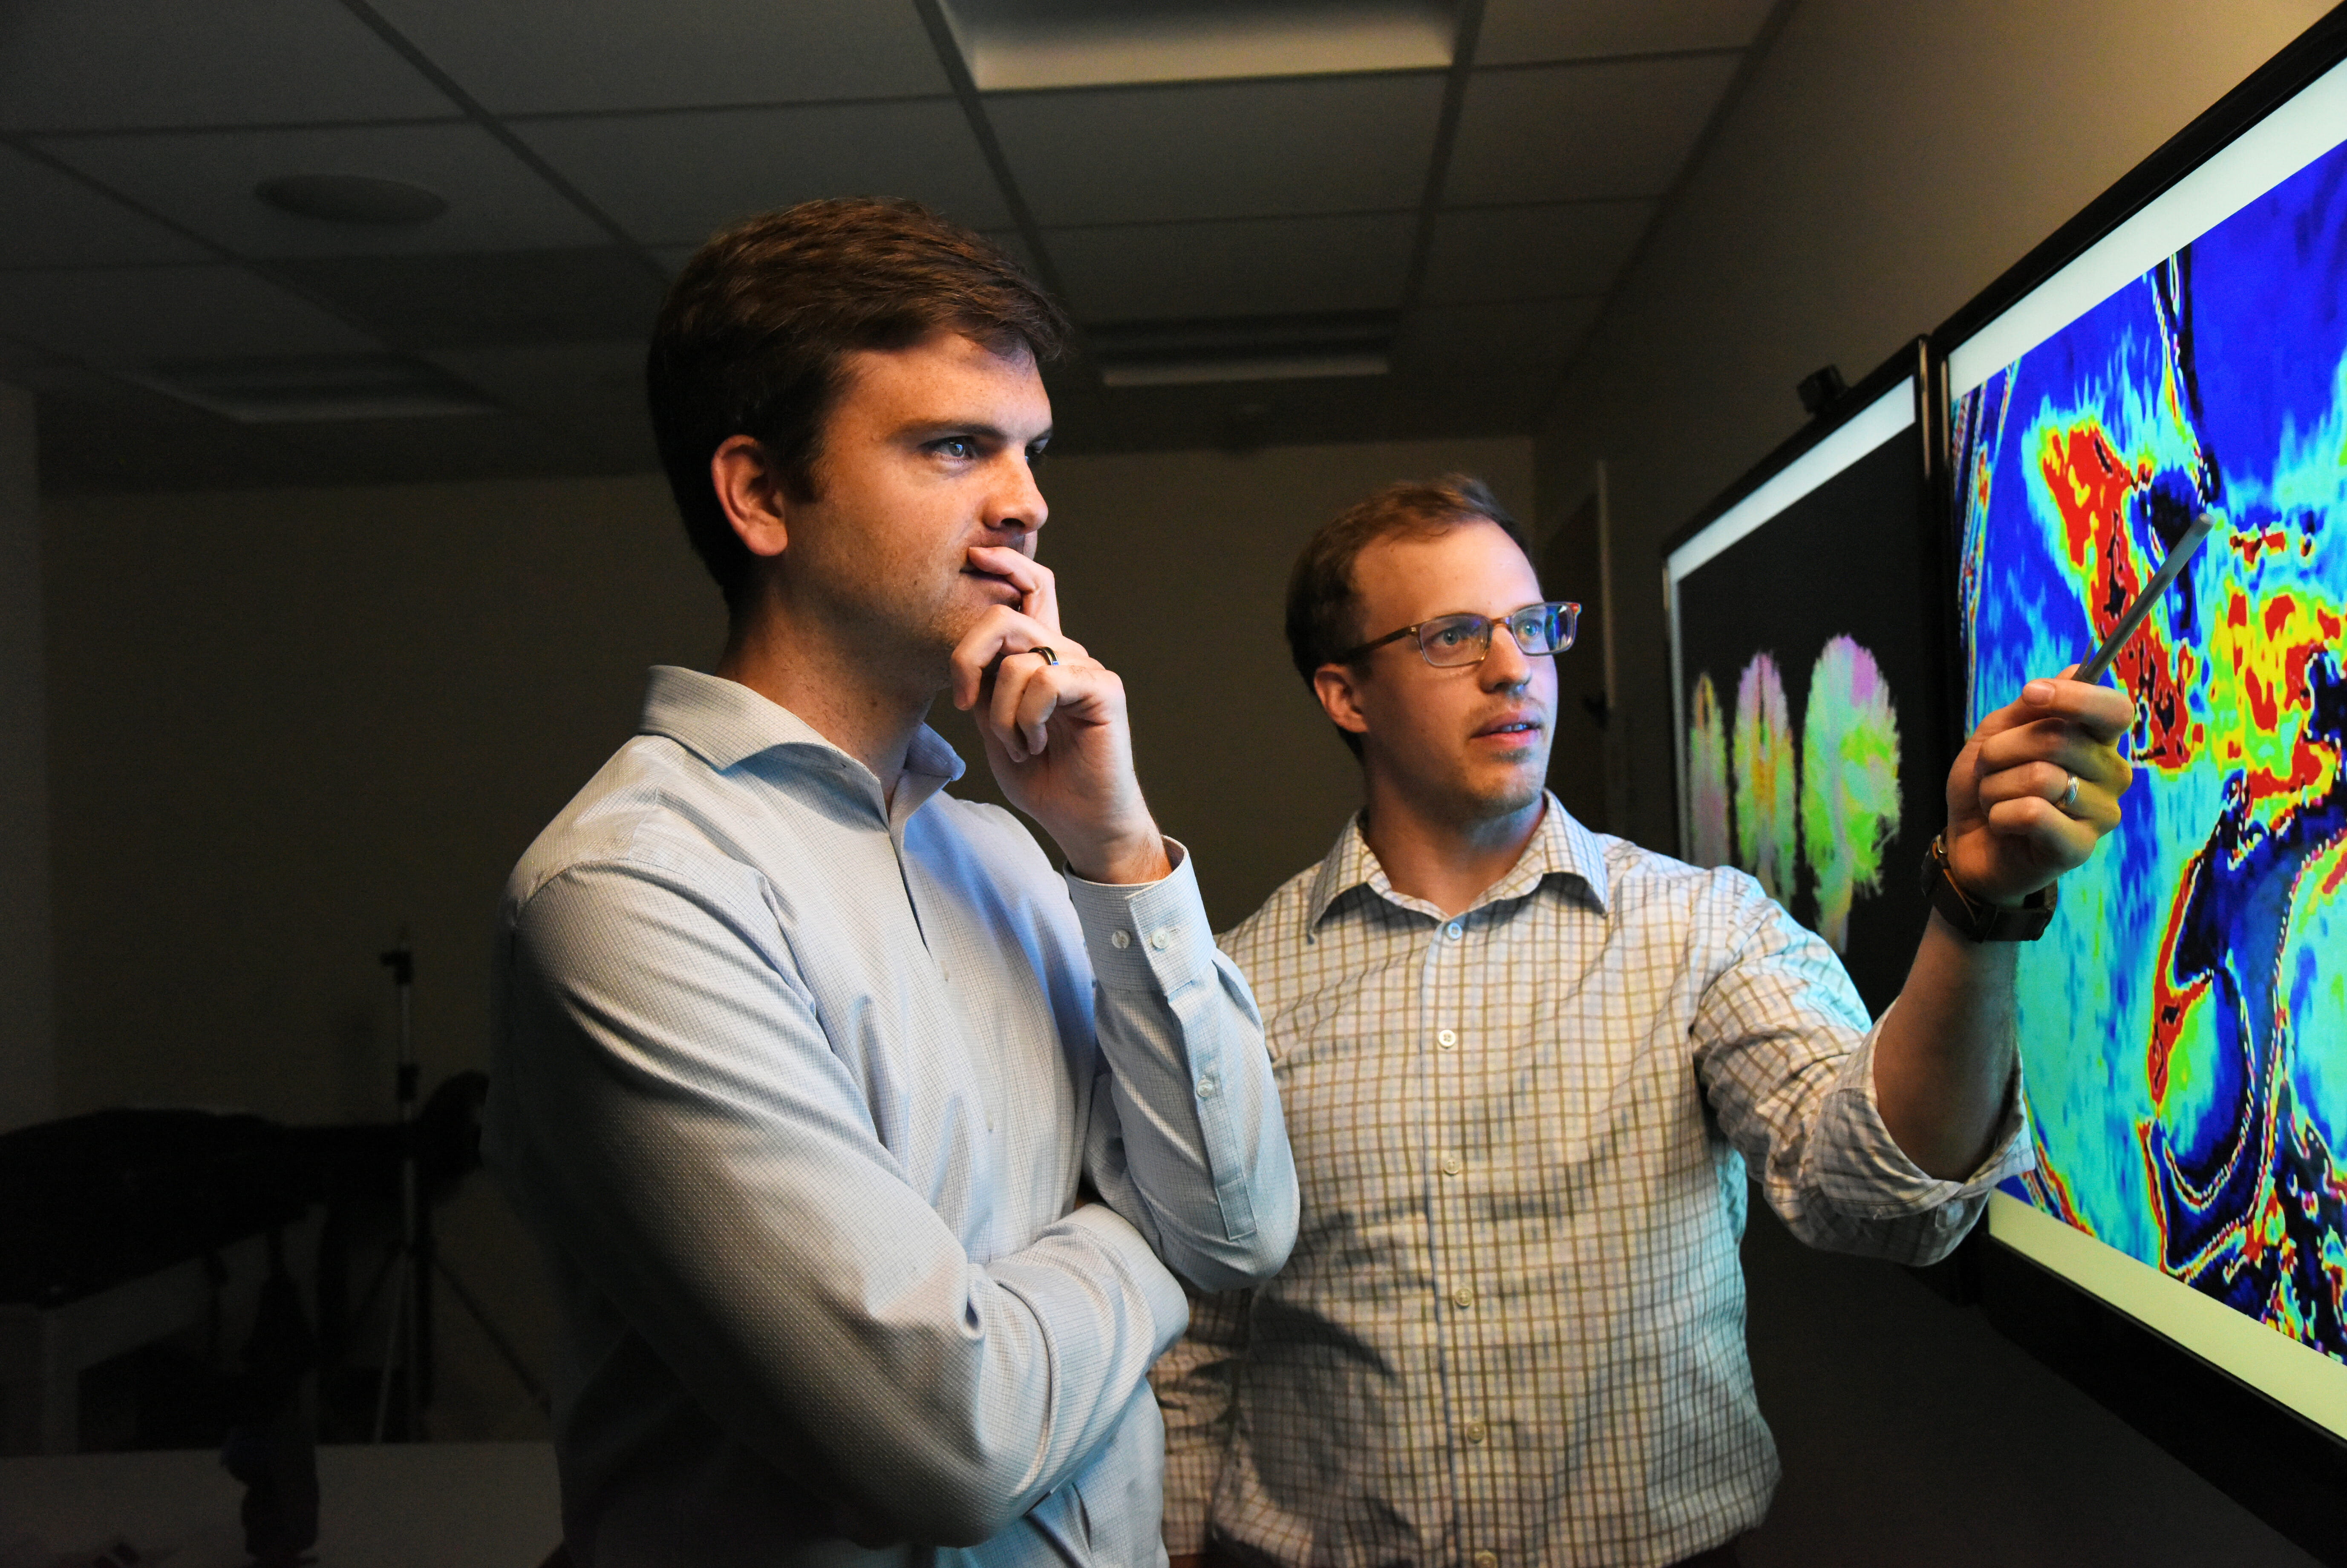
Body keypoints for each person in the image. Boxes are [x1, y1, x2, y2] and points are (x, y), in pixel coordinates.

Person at [483, 197, 1298, 1566]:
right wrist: (1143, 1235)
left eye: (1032, 452)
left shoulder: (1014, 856)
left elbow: (1247, 1223)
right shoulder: (629, 893)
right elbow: (953, 1437)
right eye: (955, 447)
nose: (1027, 503)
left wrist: (1116, 850)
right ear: (760, 495)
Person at [1153, 476, 2132, 1568]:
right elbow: (1196, 1334)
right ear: (1347, 695)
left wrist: (1975, 908)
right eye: (1452, 636)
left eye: (1532, 625)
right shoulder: (1237, 986)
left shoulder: (1703, 930)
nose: (1514, 667)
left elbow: (1885, 1198)